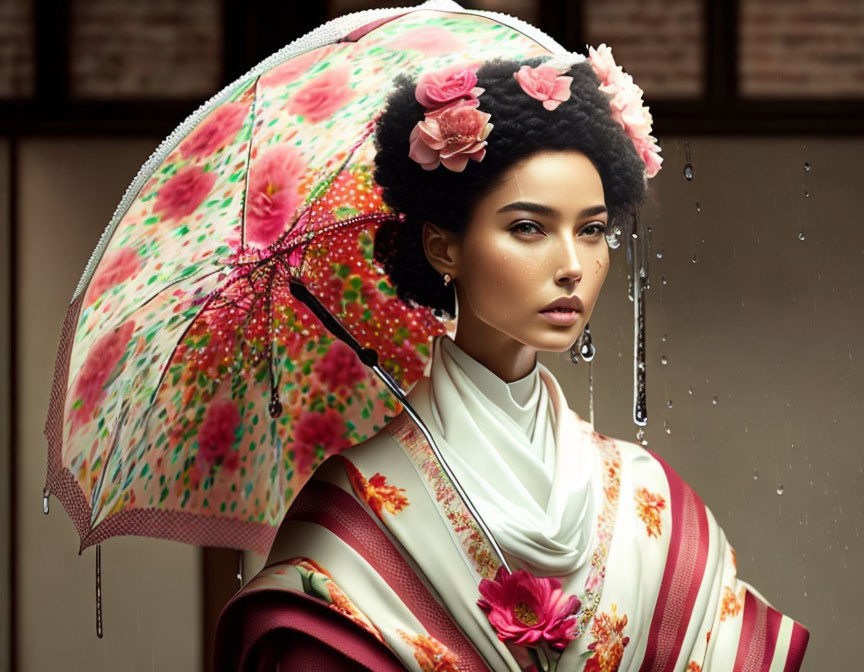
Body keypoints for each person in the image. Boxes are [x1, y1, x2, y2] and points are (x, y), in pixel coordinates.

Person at [214, 52, 810, 672]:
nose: (573, 264)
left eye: (593, 230)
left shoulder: (648, 492)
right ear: (443, 245)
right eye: (529, 227)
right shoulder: (354, 512)